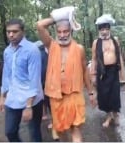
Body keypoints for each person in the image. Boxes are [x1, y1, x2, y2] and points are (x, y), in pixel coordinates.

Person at [37, 6, 96, 142]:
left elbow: (85, 71)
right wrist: (58, 17)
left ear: (71, 31)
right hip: (56, 97)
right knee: (61, 130)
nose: (63, 35)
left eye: (66, 31)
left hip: (74, 95)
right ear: (56, 32)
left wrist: (91, 93)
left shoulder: (79, 49)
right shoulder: (50, 45)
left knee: (76, 128)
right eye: (59, 32)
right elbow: (40, 25)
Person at [0, 19, 43, 142]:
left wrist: (28, 106)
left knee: (34, 134)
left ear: (23, 32)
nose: (11, 35)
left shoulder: (32, 50)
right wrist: (2, 96)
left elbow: (34, 80)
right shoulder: (7, 51)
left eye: (15, 31)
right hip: (13, 98)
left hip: (32, 100)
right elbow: (6, 75)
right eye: (8, 32)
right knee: (10, 132)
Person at [91, 14, 123, 128]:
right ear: (99, 30)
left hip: (114, 71)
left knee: (115, 94)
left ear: (109, 29)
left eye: (106, 29)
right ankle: (109, 116)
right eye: (102, 29)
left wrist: (122, 74)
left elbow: (119, 57)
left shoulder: (115, 40)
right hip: (102, 72)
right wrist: (93, 75)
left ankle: (116, 114)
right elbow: (94, 59)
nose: (104, 31)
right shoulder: (96, 42)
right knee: (104, 95)